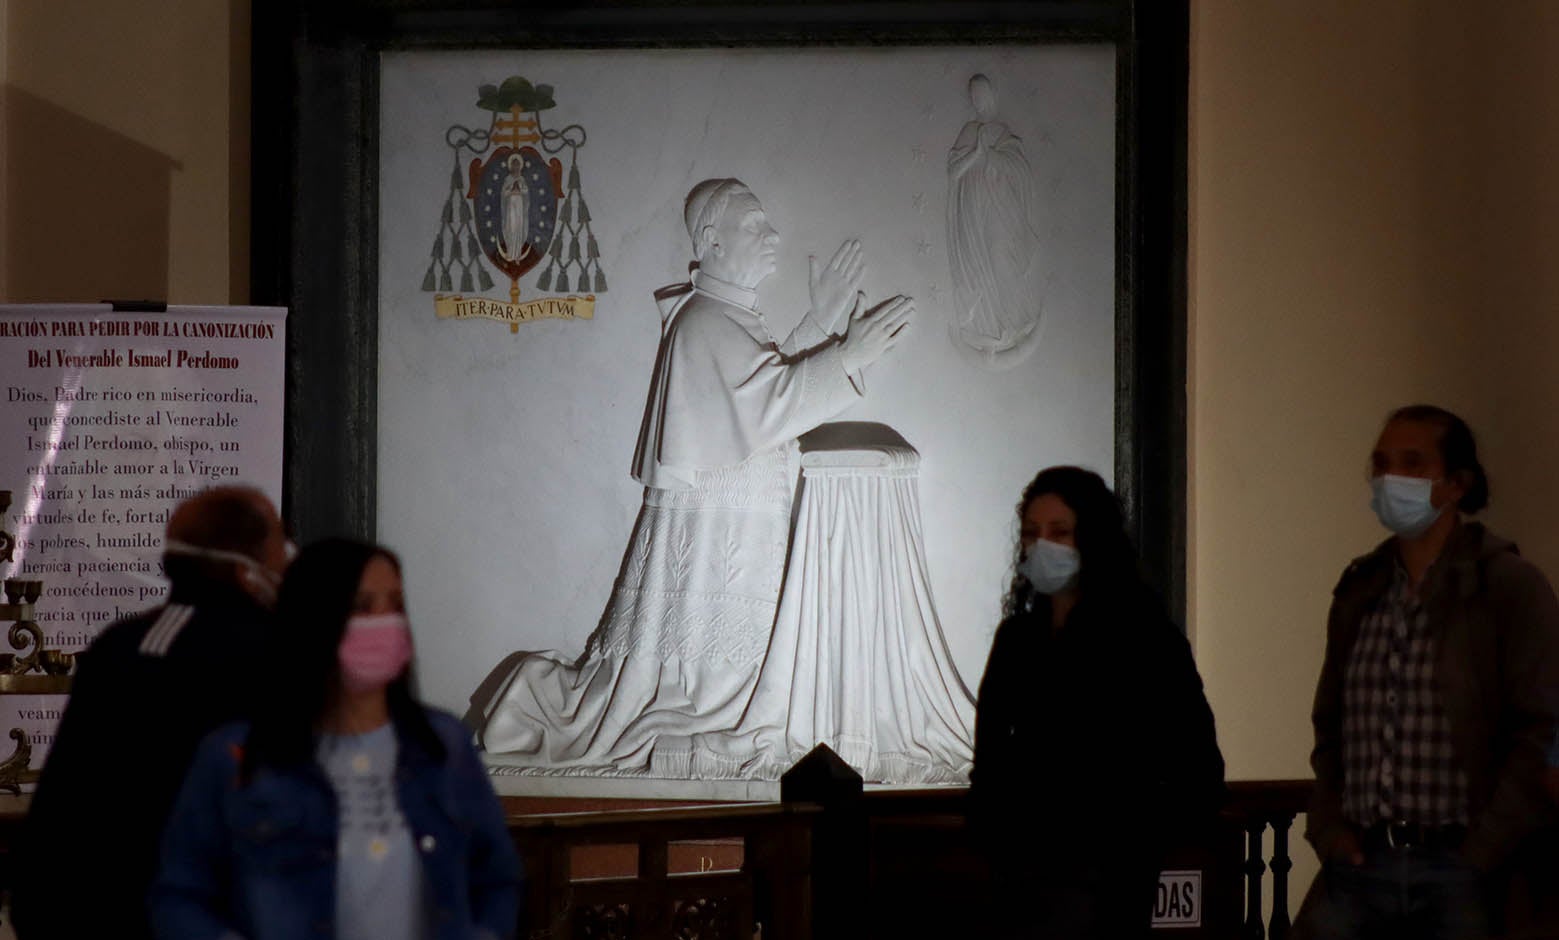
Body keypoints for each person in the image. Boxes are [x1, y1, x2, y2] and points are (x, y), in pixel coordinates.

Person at [477, 177, 913, 775]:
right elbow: (766, 404)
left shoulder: (721, 317)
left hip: (735, 532)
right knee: (710, 691)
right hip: (722, 537)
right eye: (755, 225)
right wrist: (848, 355)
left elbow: (756, 393)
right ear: (712, 239)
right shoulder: (705, 320)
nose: (773, 235)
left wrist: (821, 324)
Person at [151, 539, 521, 940]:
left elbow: (498, 878)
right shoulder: (233, 755)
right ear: (315, 620)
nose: (385, 623)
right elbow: (179, 896)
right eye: (363, 607)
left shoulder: (443, 743)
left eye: (394, 605)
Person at [1295, 405, 1559, 939]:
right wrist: (1329, 829)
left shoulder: (1506, 586)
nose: (1393, 478)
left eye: (1413, 463)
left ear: (1456, 483)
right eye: (1382, 463)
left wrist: (1483, 849)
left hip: (1460, 864)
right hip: (1362, 860)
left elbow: (1541, 728)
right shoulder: (1361, 589)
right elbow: (1331, 728)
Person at [11, 485, 290, 940]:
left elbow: (61, 813)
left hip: (102, 915)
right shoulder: (283, 655)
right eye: (281, 546)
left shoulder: (120, 648)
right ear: (250, 568)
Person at [969, 466, 1224, 939]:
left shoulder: (1144, 637)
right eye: (1031, 534)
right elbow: (990, 757)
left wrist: (1139, 833)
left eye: (1060, 532)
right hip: (1022, 873)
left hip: (1107, 873)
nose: (1042, 546)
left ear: (1092, 539)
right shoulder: (1017, 640)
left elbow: (1198, 763)